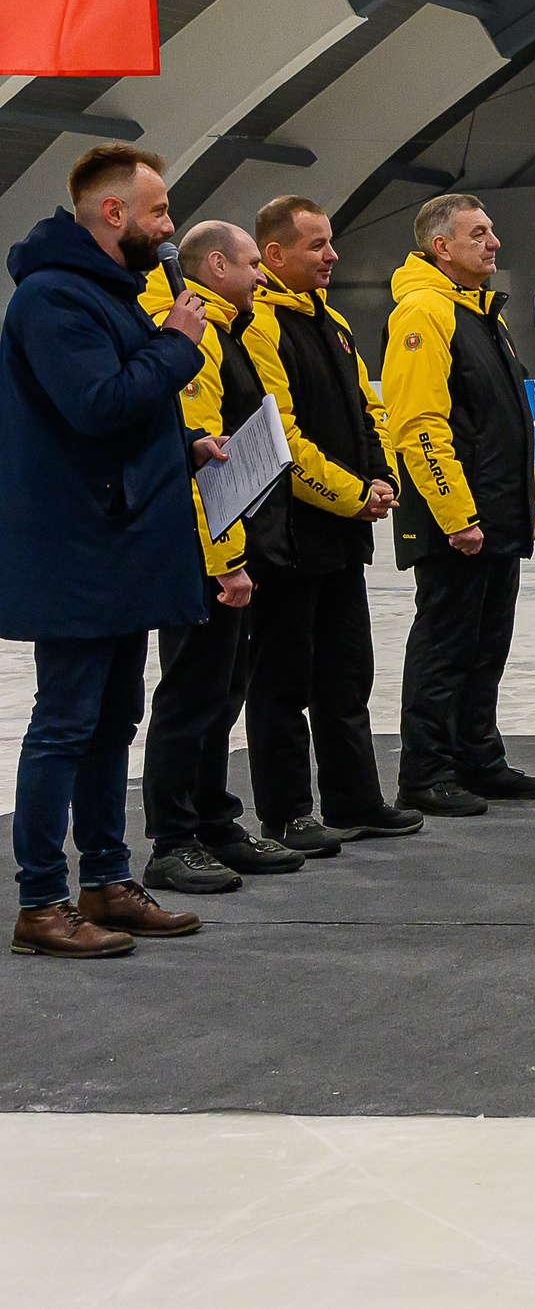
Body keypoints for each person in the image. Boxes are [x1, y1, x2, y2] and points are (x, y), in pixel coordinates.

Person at [3, 146, 218, 956]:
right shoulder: (55, 299)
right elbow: (95, 405)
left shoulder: (108, 295)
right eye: (160, 212)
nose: (170, 229)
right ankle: (40, 901)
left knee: (111, 720)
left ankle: (105, 878)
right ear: (113, 214)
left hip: (119, 542)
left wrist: (183, 445)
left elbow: (119, 415)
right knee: (64, 723)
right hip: (79, 551)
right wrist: (177, 345)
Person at [241, 196, 422, 854]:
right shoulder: (260, 327)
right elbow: (281, 437)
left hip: (343, 538)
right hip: (287, 540)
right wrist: (352, 494)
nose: (332, 254)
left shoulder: (334, 322)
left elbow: (369, 413)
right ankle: (286, 811)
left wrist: (383, 477)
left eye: (331, 242)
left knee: (347, 674)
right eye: (317, 245)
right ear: (275, 255)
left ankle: (354, 798)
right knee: (283, 681)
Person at [137, 221, 304, 893]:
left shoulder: (225, 330)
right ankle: (171, 838)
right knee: (188, 695)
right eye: (249, 265)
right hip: (201, 552)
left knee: (220, 693)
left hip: (230, 545)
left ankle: (212, 820)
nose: (261, 276)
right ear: (215, 265)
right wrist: (225, 562)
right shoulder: (190, 335)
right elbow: (203, 458)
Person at [382, 194, 535, 816]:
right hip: (458, 520)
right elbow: (420, 424)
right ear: (440, 247)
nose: (495, 243)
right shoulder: (424, 312)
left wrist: (523, 501)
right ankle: (425, 773)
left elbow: (502, 422)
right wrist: (458, 515)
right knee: (446, 646)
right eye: (478, 233)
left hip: (496, 515)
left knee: (488, 644)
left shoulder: (481, 314)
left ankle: (478, 756)